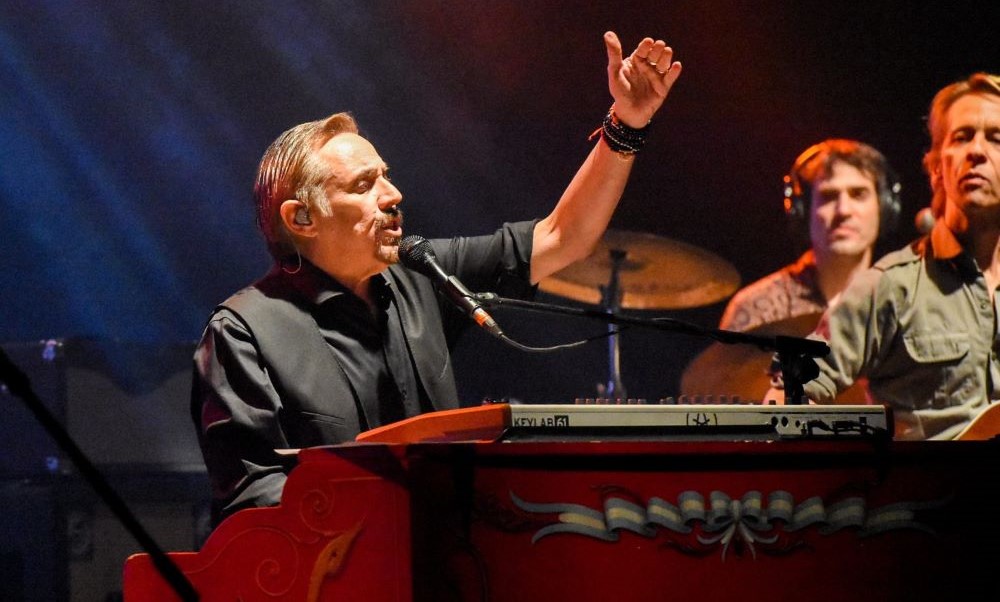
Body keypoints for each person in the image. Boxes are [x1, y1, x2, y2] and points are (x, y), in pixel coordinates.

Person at [191, 31, 682, 522]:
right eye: (365, 185)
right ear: (302, 219)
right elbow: (253, 504)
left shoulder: (425, 274)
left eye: (386, 175)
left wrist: (626, 125)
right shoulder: (245, 332)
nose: (393, 193)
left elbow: (563, 237)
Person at [786, 73, 1000, 440]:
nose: (977, 151)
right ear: (936, 166)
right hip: (932, 495)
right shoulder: (888, 285)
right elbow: (789, 394)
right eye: (962, 137)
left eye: (996, 138)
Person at [719, 139, 901, 333]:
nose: (843, 210)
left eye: (858, 194)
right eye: (829, 196)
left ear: (884, 208)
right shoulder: (756, 308)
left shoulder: (901, 304)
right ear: (804, 211)